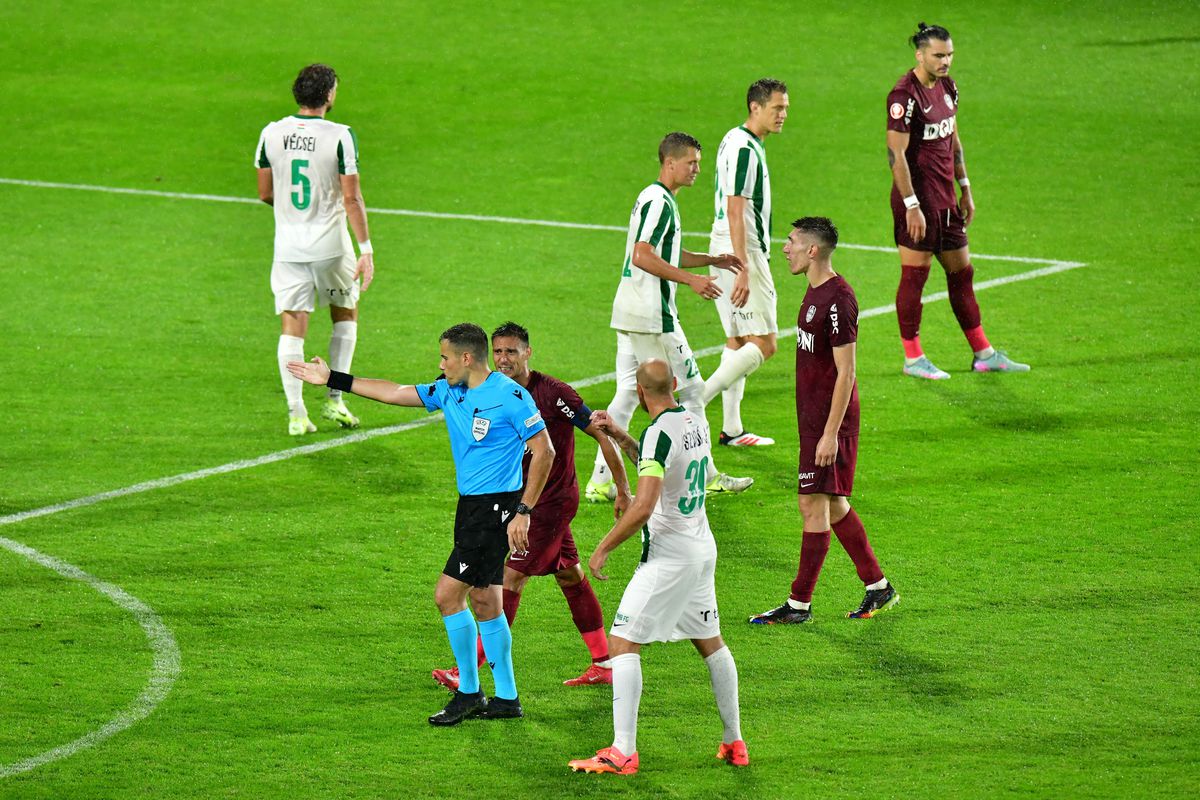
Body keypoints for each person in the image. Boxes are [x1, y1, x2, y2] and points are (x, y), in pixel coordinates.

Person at [287, 323, 554, 725]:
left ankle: (468, 692)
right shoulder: (449, 390)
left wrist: (524, 510)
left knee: (448, 596)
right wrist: (333, 379)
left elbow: (544, 450)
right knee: (485, 601)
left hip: (495, 510)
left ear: (466, 358)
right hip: (471, 509)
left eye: (445, 357)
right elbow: (394, 392)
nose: (440, 364)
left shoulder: (511, 397)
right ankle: (507, 699)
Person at [431, 322, 632, 691]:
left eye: (512, 351)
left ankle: (469, 669)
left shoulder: (553, 393)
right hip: (521, 501)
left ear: (528, 353)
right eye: (499, 351)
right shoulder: (487, 389)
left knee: (510, 577)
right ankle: (603, 662)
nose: (504, 358)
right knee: (569, 574)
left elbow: (601, 433)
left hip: (547, 504)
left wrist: (621, 489)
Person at [568, 359, 747, 775]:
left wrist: (603, 547)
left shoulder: (658, 435)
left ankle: (622, 751)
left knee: (622, 643)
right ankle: (734, 740)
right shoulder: (692, 421)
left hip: (669, 557)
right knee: (710, 641)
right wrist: (620, 435)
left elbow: (645, 503)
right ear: (676, 383)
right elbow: (658, 461)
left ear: (638, 388)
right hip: (701, 547)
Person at [584, 132, 753, 503]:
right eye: (691, 162)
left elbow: (663, 254)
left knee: (628, 393)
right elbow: (643, 256)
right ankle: (707, 475)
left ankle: (599, 481)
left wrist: (710, 260)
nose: (697, 169)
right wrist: (692, 280)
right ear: (670, 163)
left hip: (629, 311)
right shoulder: (660, 202)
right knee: (691, 390)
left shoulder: (655, 199)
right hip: (651, 316)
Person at [750, 218, 899, 624]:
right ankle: (878, 587)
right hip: (814, 419)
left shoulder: (838, 299)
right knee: (833, 506)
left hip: (830, 423)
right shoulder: (813, 292)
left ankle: (798, 605)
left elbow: (847, 372)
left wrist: (830, 434)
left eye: (792, 242)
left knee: (811, 504)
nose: (785, 248)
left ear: (812, 250)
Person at [887, 23, 1028, 380]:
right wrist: (911, 204)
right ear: (920, 55)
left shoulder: (948, 88)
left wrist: (965, 187)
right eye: (938, 55)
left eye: (949, 54)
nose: (945, 60)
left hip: (947, 202)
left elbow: (953, 138)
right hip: (918, 205)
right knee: (915, 279)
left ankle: (984, 353)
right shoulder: (904, 96)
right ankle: (913, 358)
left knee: (962, 274)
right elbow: (896, 155)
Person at [256, 63, 376, 435]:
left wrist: (295, 215)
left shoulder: (271, 133)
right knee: (345, 314)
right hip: (331, 247)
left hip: (288, 248)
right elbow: (351, 198)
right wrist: (366, 248)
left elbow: (265, 193)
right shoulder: (340, 135)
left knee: (292, 328)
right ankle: (335, 402)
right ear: (329, 95)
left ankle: (296, 414)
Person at [701, 78, 790, 447]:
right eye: (777, 108)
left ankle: (732, 429)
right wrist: (744, 267)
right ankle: (694, 403)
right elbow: (736, 209)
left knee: (737, 340)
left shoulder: (738, 140)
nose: (783, 115)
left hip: (729, 245)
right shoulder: (744, 149)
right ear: (755, 107)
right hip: (742, 248)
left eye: (785, 107)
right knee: (766, 342)